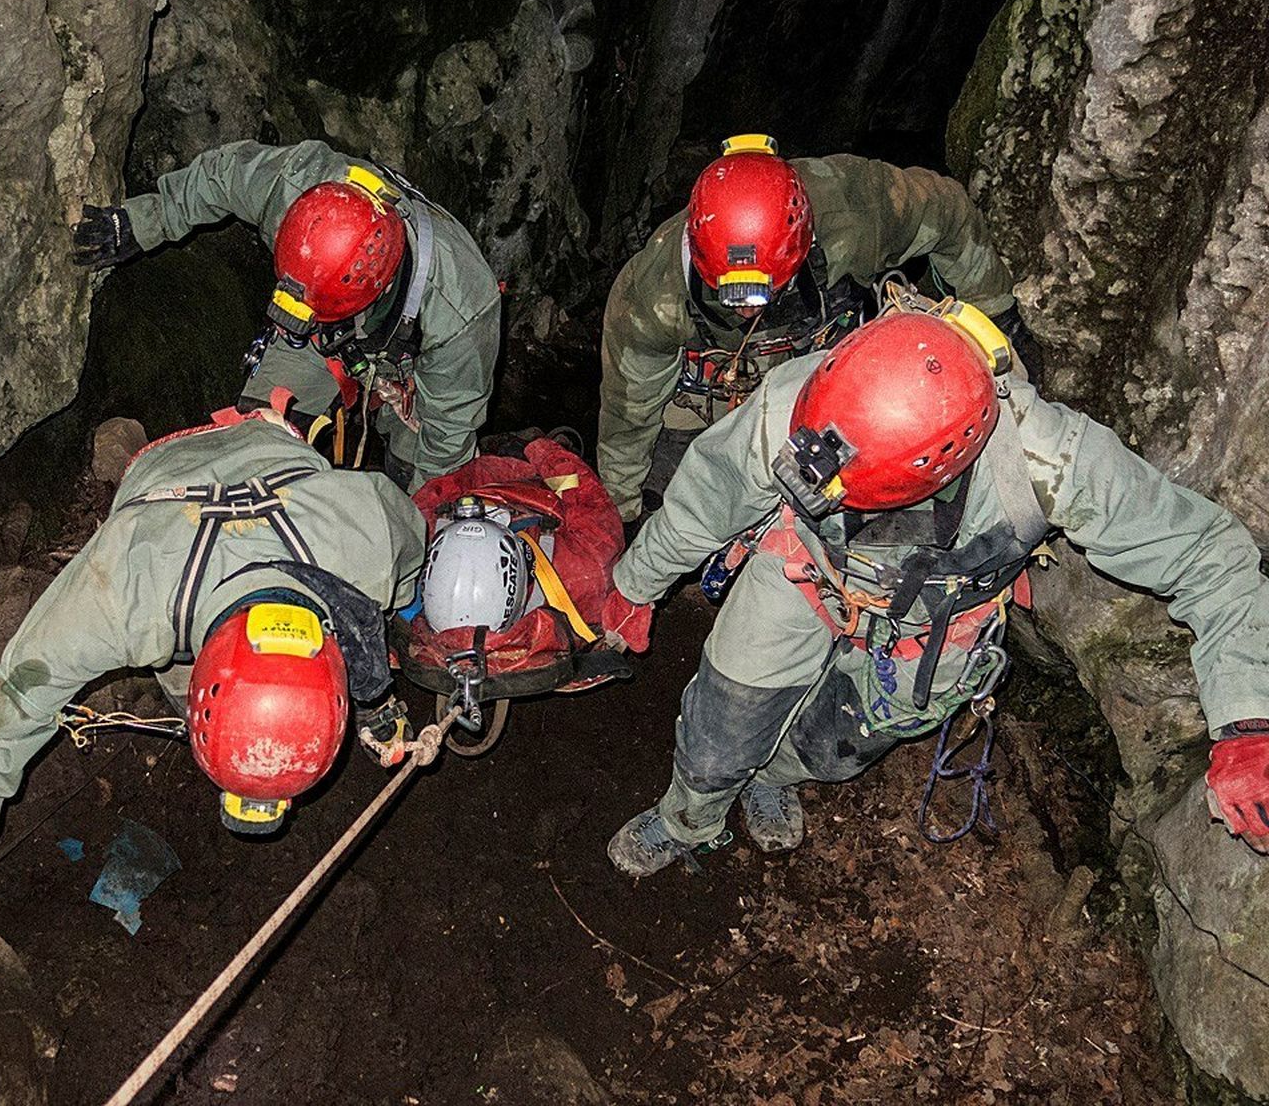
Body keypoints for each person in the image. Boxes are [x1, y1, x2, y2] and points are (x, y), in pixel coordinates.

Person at [598, 295, 1269, 869]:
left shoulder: (1052, 462)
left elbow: (1208, 554)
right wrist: (635, 584)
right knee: (722, 724)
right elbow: (702, 504)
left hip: (939, 619)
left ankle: (774, 776)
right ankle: (688, 821)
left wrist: (1246, 720)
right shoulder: (794, 403)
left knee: (835, 750)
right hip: (807, 568)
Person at [0, 393, 427, 1021]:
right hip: (161, 485)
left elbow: (415, 556)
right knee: (167, 668)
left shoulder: (368, 531)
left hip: (279, 457)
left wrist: (397, 640)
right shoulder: (122, 588)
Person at [596, 134, 1021, 525]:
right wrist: (621, 508)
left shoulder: (857, 211)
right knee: (682, 495)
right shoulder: (650, 298)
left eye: (763, 291)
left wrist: (993, 317)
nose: (748, 309)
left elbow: (947, 211)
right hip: (719, 386)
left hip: (841, 367)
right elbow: (629, 410)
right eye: (732, 294)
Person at [73, 140, 502, 491]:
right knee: (261, 440)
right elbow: (222, 175)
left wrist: (422, 521)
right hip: (316, 331)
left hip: (409, 367)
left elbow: (446, 440)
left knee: (413, 472)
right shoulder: (295, 185)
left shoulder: (459, 313)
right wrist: (143, 221)